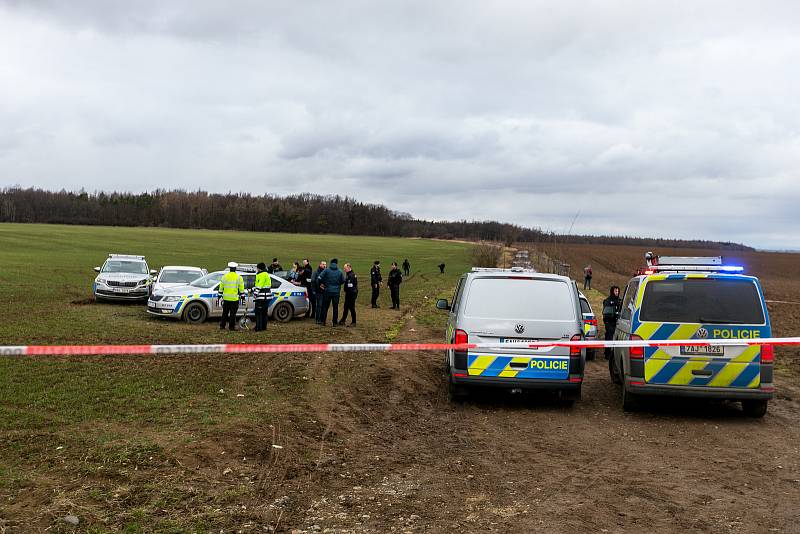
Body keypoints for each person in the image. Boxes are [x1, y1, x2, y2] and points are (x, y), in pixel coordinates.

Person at [318, 258, 345, 326]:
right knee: (335, 308)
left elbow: (319, 278)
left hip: (327, 291)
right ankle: (335, 322)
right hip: (336, 292)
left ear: (331, 263)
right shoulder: (340, 271)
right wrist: (338, 284)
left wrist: (322, 284)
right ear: (337, 263)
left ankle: (323, 321)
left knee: (325, 307)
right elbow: (343, 281)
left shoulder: (326, 270)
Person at [218, 261, 245, 331]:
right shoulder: (239, 277)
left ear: (229, 268)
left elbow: (221, 287)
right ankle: (231, 327)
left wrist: (219, 295)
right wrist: (242, 296)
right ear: (235, 269)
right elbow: (241, 288)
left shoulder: (224, 276)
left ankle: (222, 326)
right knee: (233, 314)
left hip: (226, 298)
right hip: (234, 299)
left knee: (224, 313)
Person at [602, 285, 622, 360]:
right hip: (609, 322)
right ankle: (607, 353)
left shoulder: (620, 301)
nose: (617, 292)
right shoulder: (607, 301)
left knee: (618, 338)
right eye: (615, 291)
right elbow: (606, 313)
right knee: (609, 338)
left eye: (618, 291)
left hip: (618, 323)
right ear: (612, 291)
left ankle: (615, 354)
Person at [253, 262, 272, 331]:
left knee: (258, 313)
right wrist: (253, 289)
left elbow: (259, 285)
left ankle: (258, 328)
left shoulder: (261, 275)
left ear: (259, 268)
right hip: (267, 297)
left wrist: (255, 294)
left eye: (257, 268)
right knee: (264, 313)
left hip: (261, 297)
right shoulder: (267, 274)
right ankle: (264, 327)